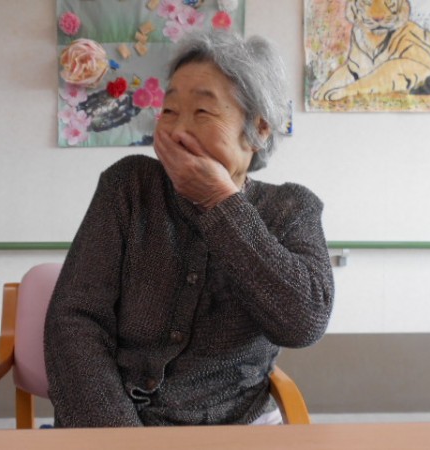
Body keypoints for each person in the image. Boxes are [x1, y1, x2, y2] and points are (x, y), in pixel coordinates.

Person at [44, 29, 334, 428]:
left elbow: (304, 323)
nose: (178, 131)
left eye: (202, 112)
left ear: (260, 128)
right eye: (169, 111)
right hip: (119, 424)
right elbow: (74, 322)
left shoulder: (292, 208)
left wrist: (220, 200)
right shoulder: (128, 185)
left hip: (236, 425)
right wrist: (122, 437)